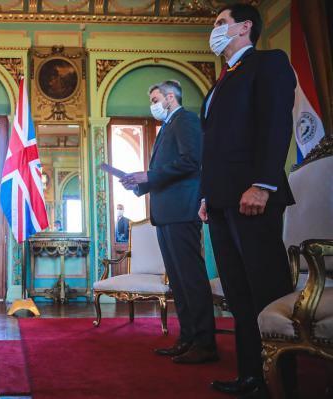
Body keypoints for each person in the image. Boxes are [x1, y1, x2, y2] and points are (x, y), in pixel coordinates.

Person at [198, 4, 296, 398]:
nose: (215, 29)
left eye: (221, 23)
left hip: (253, 196)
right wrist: (207, 196)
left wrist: (263, 184)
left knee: (266, 289)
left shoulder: (267, 63)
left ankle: (282, 382)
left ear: (245, 27)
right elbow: (215, 148)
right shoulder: (219, 82)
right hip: (221, 202)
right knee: (238, 294)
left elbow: (276, 125)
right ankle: (251, 376)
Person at [121, 80, 217, 364]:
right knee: (178, 281)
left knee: (191, 279)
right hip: (165, 213)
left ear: (170, 97)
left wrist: (149, 176)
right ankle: (187, 338)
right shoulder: (167, 128)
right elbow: (162, 173)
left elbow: (191, 162)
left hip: (182, 211)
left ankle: (205, 344)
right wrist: (139, 184)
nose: (152, 105)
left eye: (154, 98)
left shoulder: (185, 120)